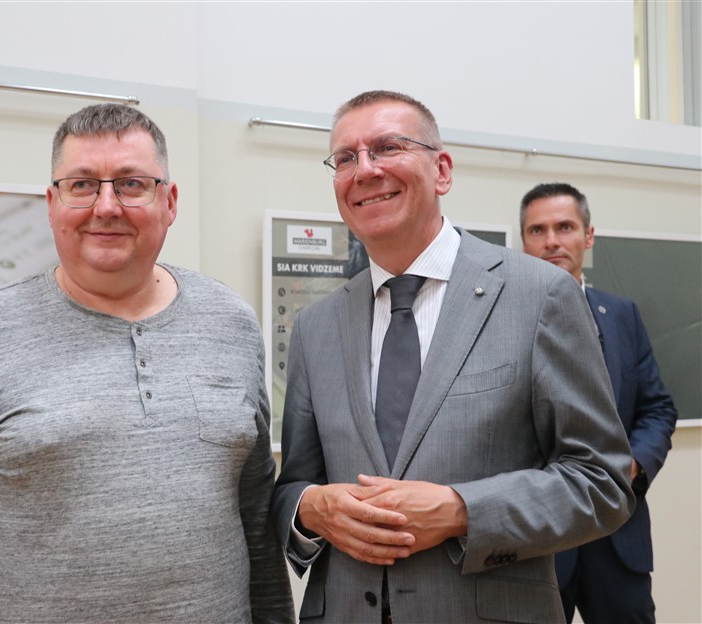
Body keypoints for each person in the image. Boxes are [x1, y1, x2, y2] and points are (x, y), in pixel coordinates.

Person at [0, 104, 294, 623]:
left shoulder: (231, 322)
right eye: (82, 185)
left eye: (132, 184)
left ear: (169, 202)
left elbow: (255, 515)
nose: (106, 206)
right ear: (52, 204)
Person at [270, 90, 636, 623]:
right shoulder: (316, 326)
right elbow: (292, 488)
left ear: (441, 171)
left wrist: (462, 511)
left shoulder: (539, 296)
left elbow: (602, 482)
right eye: (345, 158)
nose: (365, 170)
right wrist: (311, 508)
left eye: (387, 147)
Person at [520, 182, 678, 624]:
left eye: (565, 227)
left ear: (588, 236)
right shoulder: (499, 318)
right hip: (536, 541)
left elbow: (657, 409)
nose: (552, 241)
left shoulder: (622, 313)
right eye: (537, 230)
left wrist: (634, 465)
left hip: (617, 535)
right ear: (523, 241)